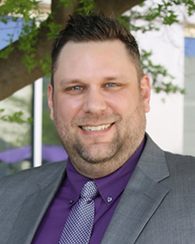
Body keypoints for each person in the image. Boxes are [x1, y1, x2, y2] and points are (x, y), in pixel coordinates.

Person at [0, 13, 195, 244]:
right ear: (51, 100)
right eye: (75, 88)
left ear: (144, 93)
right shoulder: (6, 197)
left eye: (111, 85)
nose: (94, 106)